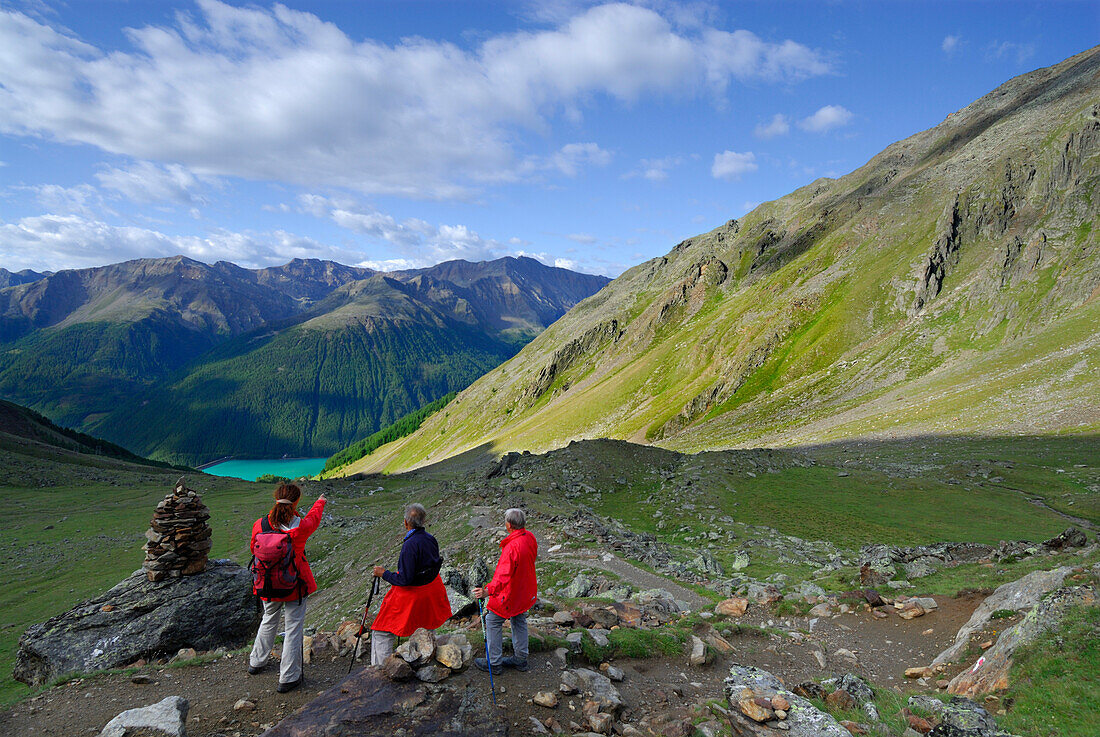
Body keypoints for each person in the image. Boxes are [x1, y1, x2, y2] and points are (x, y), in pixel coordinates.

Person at [248, 483, 326, 693]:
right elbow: (314, 518)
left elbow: (253, 548)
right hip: (294, 585)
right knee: (293, 628)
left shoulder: (260, 524)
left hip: (267, 584)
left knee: (268, 619)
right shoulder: (300, 526)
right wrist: (320, 502)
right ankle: (289, 677)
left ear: (276, 499)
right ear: (297, 502)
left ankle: (256, 662)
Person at [368, 503, 452, 665]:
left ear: (406, 523)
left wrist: (383, 573)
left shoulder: (409, 545)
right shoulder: (430, 539)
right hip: (431, 590)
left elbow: (404, 580)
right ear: (424, 520)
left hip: (413, 593)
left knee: (381, 631)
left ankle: (380, 669)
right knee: (425, 625)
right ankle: (426, 658)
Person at [472, 508, 538, 674]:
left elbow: (502, 576)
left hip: (510, 593)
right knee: (519, 618)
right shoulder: (530, 537)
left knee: (492, 621)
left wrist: (487, 591)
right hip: (524, 590)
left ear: (509, 525)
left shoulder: (511, 547)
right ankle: (521, 659)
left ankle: (494, 663)